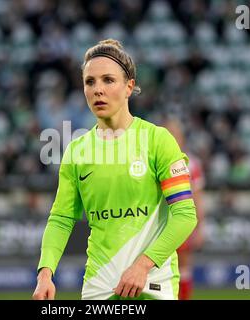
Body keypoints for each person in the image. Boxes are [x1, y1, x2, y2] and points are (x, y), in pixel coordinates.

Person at [32, 39, 197, 300]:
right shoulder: (77, 152)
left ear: (129, 86)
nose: (98, 90)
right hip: (99, 286)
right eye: (90, 82)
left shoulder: (158, 140)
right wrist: (45, 274)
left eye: (108, 80)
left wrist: (143, 265)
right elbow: (61, 219)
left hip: (154, 284)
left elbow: (185, 216)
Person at [165, 118, 205, 300]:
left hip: (182, 220)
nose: (173, 138)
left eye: (175, 134)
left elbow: (197, 197)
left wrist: (199, 228)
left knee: (184, 267)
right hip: (160, 224)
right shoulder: (151, 160)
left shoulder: (192, 163)